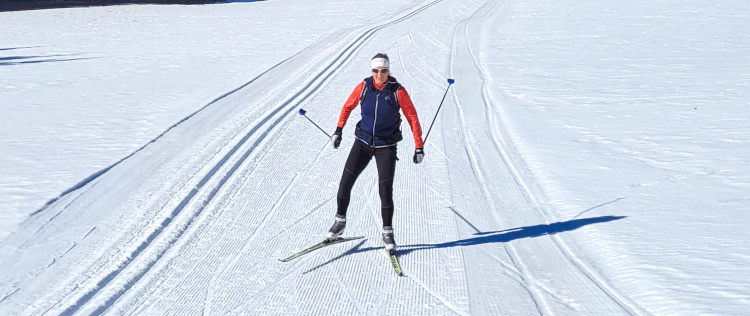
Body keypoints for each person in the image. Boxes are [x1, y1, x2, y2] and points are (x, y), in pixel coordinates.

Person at [326, 53, 425, 251]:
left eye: (384, 71)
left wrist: (418, 146)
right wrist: (338, 130)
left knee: (385, 192)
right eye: (376, 71)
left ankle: (387, 233)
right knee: (345, 183)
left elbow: (412, 117)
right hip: (362, 142)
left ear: (389, 71)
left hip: (386, 146)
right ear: (371, 71)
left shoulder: (398, 91)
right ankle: (340, 222)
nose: (380, 75)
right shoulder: (364, 87)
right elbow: (347, 107)